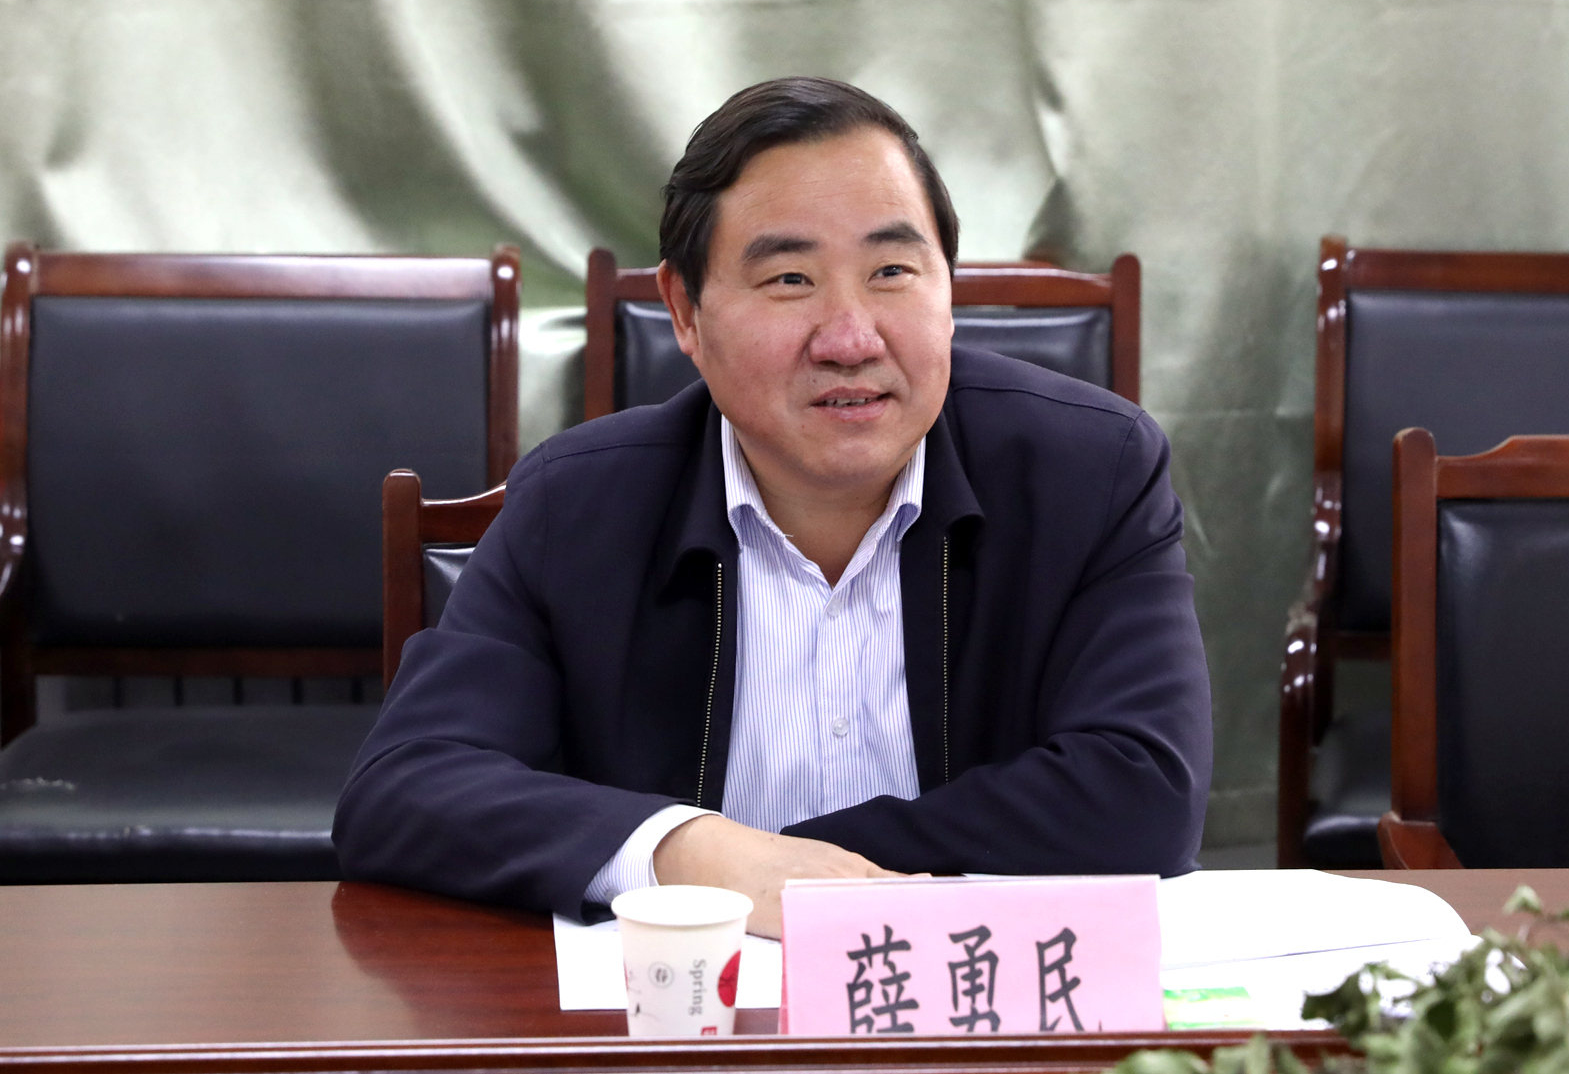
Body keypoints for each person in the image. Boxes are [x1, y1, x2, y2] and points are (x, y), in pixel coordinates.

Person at [334, 77, 1212, 938]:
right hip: (687, 1010)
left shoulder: (1091, 473)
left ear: (949, 292)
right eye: (790, 278)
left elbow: (1143, 792)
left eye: (892, 271)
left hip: (963, 997)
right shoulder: (576, 504)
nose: (851, 338)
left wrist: (781, 865)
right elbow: (406, 786)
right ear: (686, 311)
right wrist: (687, 852)